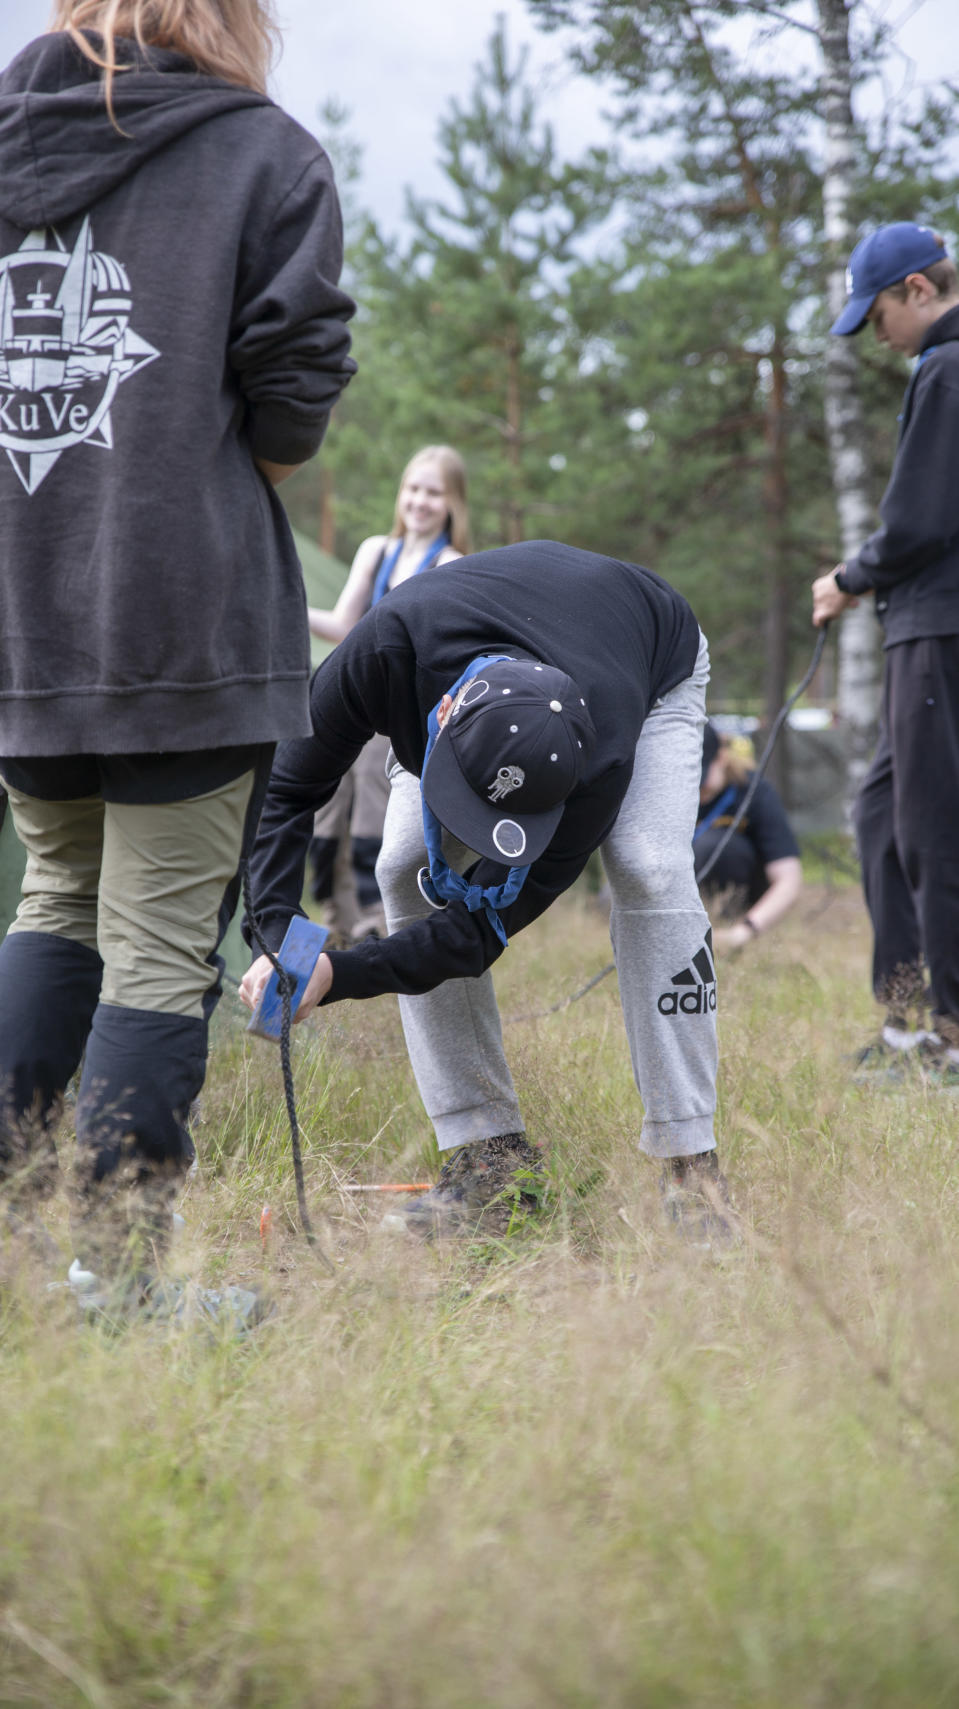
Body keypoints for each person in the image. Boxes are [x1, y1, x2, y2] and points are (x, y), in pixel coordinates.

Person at [0, 0, 356, 1310]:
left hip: (23, 611)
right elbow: (292, 402)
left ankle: (26, 1249)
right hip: (183, 612)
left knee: (52, 897)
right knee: (152, 946)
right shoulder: (263, 155)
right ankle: (119, 1284)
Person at [241, 540, 730, 1241]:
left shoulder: (598, 761)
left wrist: (337, 972)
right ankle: (489, 1162)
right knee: (403, 864)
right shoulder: (384, 648)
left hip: (650, 656)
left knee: (648, 866)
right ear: (439, 719)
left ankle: (693, 1171)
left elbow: (475, 936)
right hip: (476, 655)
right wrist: (280, 938)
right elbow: (287, 790)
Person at [812, 220, 959, 1081]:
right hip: (920, 627)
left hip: (937, 630)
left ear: (915, 290)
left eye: (874, 316)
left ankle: (946, 1034)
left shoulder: (944, 366)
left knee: (931, 831)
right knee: (880, 817)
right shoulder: (935, 368)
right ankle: (904, 1020)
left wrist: (848, 576)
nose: (875, 336)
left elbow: (915, 523)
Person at [306, 447, 469, 943]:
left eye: (433, 492)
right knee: (328, 813)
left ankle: (380, 931)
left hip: (398, 718)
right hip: (351, 706)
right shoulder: (376, 550)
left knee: (375, 822)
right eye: (413, 488)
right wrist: (282, 608)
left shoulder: (451, 563)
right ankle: (338, 926)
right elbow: (342, 624)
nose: (420, 501)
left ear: (453, 502)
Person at [695, 723, 801, 951]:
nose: (696, 786)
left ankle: (726, 923)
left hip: (742, 900)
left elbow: (789, 879)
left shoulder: (755, 793)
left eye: (701, 775)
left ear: (721, 758)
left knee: (718, 848)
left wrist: (746, 930)